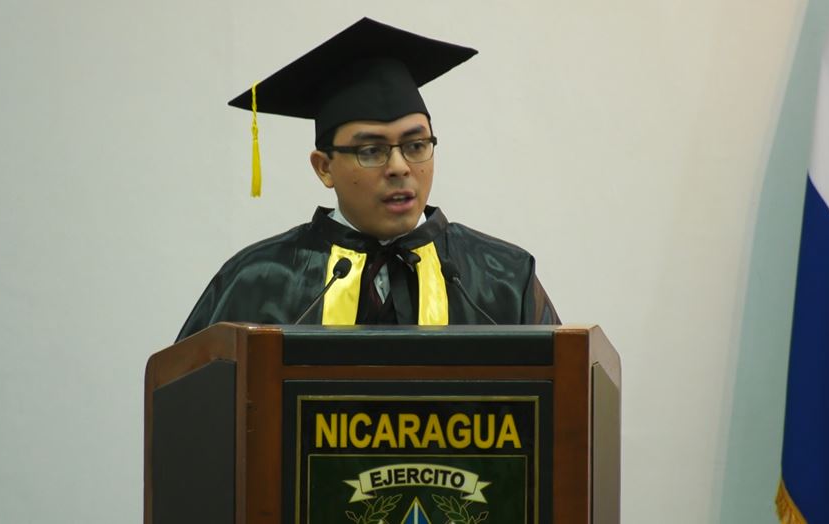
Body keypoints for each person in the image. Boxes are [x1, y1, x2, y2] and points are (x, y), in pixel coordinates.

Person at [177, 18, 558, 341]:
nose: (398, 167)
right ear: (323, 167)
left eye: (415, 144)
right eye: (371, 151)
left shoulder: (503, 277)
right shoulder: (257, 281)